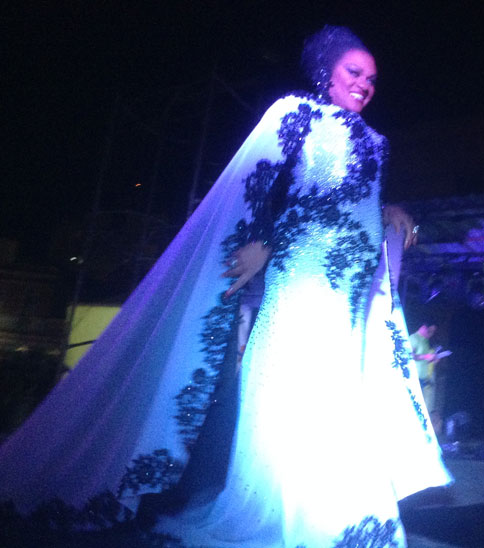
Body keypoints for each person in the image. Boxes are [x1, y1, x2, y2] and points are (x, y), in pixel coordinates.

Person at [0, 25, 450, 547]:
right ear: (325, 72)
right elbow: (256, 184)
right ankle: (287, 510)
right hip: (300, 271)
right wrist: (262, 242)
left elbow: (353, 198)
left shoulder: (378, 143)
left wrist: (389, 208)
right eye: (354, 72)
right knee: (296, 378)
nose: (365, 85)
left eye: (371, 79)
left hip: (351, 282)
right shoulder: (293, 114)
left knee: (340, 382)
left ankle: (335, 509)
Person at [410, 321, 443, 434]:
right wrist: (426, 356)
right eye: (430, 331)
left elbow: (424, 360)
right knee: (414, 407)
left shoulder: (425, 341)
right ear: (423, 327)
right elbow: (409, 355)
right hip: (415, 379)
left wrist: (433, 360)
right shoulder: (414, 338)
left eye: (433, 332)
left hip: (424, 379)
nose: (431, 334)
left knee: (422, 408)